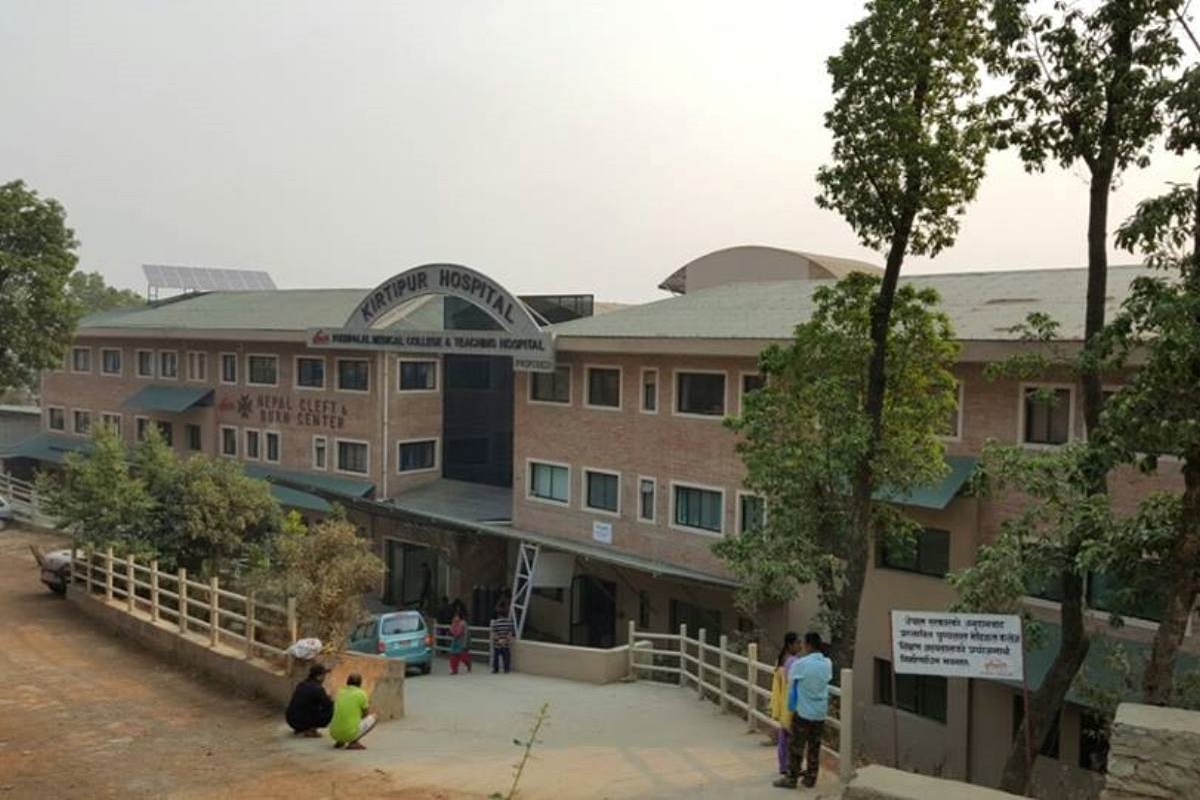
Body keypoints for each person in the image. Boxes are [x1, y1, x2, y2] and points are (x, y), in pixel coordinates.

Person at [774, 632, 833, 790]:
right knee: (814, 746)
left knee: (796, 746)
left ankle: (791, 778)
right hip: (820, 712)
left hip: (803, 711)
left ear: (808, 645)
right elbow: (827, 679)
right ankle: (811, 778)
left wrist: (789, 710)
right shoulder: (827, 663)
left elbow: (791, 684)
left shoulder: (801, 664)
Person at [768, 632, 801, 775]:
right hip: (790, 702)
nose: (800, 646)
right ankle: (790, 767)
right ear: (790, 644)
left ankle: (784, 765)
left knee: (784, 737)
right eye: (798, 643)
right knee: (792, 738)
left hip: (783, 702)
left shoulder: (782, 660)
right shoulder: (792, 662)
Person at [329, 673, 377, 750]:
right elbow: (365, 714)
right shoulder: (361, 693)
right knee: (374, 717)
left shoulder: (339, 692)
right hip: (349, 733)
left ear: (347, 682)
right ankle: (353, 742)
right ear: (360, 683)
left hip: (334, 734)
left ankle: (340, 741)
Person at [285, 663, 334, 737]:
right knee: (331, 707)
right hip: (302, 721)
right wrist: (329, 698)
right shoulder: (318, 688)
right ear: (319, 676)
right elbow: (327, 704)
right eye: (324, 675)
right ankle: (310, 729)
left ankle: (301, 728)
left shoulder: (302, 684)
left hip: (291, 720)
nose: (324, 678)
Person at [491, 607, 515, 674]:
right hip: (506, 644)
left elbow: (494, 633)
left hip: (497, 644)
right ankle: (506, 669)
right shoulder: (509, 623)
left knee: (496, 657)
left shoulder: (495, 622)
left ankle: (496, 669)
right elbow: (510, 633)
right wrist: (505, 640)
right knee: (506, 657)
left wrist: (499, 640)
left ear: (499, 614)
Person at [449, 609, 472, 675]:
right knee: (453, 656)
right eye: (455, 616)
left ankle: (468, 664)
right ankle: (454, 670)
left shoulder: (463, 623)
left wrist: (465, 643)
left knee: (463, 657)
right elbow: (451, 631)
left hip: (462, 641)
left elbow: (466, 634)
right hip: (455, 642)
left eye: (457, 616)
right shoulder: (454, 623)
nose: (455, 618)